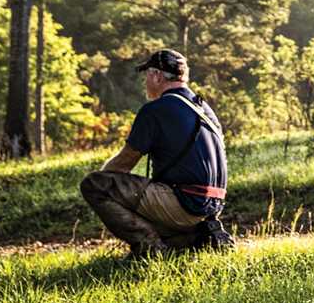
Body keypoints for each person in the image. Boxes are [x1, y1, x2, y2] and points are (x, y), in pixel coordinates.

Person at [79, 49, 234, 259]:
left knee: (95, 185)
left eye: (146, 76)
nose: (145, 83)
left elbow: (124, 163)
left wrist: (105, 178)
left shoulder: (156, 109)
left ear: (157, 76)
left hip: (183, 203)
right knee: (150, 195)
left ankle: (150, 249)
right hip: (212, 206)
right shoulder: (204, 108)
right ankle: (191, 239)